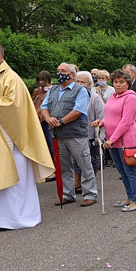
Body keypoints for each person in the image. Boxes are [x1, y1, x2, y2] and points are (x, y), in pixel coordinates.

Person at [0, 40, 54, 228]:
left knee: (11, 175)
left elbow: (13, 106)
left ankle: (15, 218)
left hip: (8, 138)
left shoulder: (11, 78)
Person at [40, 62, 98, 207]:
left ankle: (90, 194)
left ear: (72, 75)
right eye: (58, 70)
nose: (60, 73)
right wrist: (49, 119)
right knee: (64, 167)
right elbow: (44, 107)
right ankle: (67, 194)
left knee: (84, 164)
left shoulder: (80, 90)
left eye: (63, 71)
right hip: (58, 135)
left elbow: (78, 111)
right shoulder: (53, 90)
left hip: (76, 134)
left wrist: (61, 121)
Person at [92, 69, 136, 212]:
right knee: (122, 171)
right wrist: (101, 122)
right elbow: (109, 116)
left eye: (122, 82)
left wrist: (112, 139)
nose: (118, 84)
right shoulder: (113, 96)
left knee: (131, 171)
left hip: (126, 141)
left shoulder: (131, 97)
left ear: (128, 83)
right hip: (112, 141)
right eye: (116, 82)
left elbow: (126, 121)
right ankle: (130, 197)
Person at [73, 71, 105, 177]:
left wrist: (98, 136)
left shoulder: (95, 98)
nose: (79, 84)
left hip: (90, 136)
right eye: (77, 81)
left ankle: (91, 182)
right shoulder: (72, 96)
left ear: (89, 84)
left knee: (91, 161)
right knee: (76, 161)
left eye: (83, 82)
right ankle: (77, 183)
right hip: (75, 134)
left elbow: (102, 115)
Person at [32, 70, 54, 163]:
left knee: (50, 142)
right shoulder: (37, 91)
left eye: (43, 80)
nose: (41, 82)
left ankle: (53, 162)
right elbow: (33, 103)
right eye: (39, 80)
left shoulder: (53, 90)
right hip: (37, 119)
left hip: (47, 120)